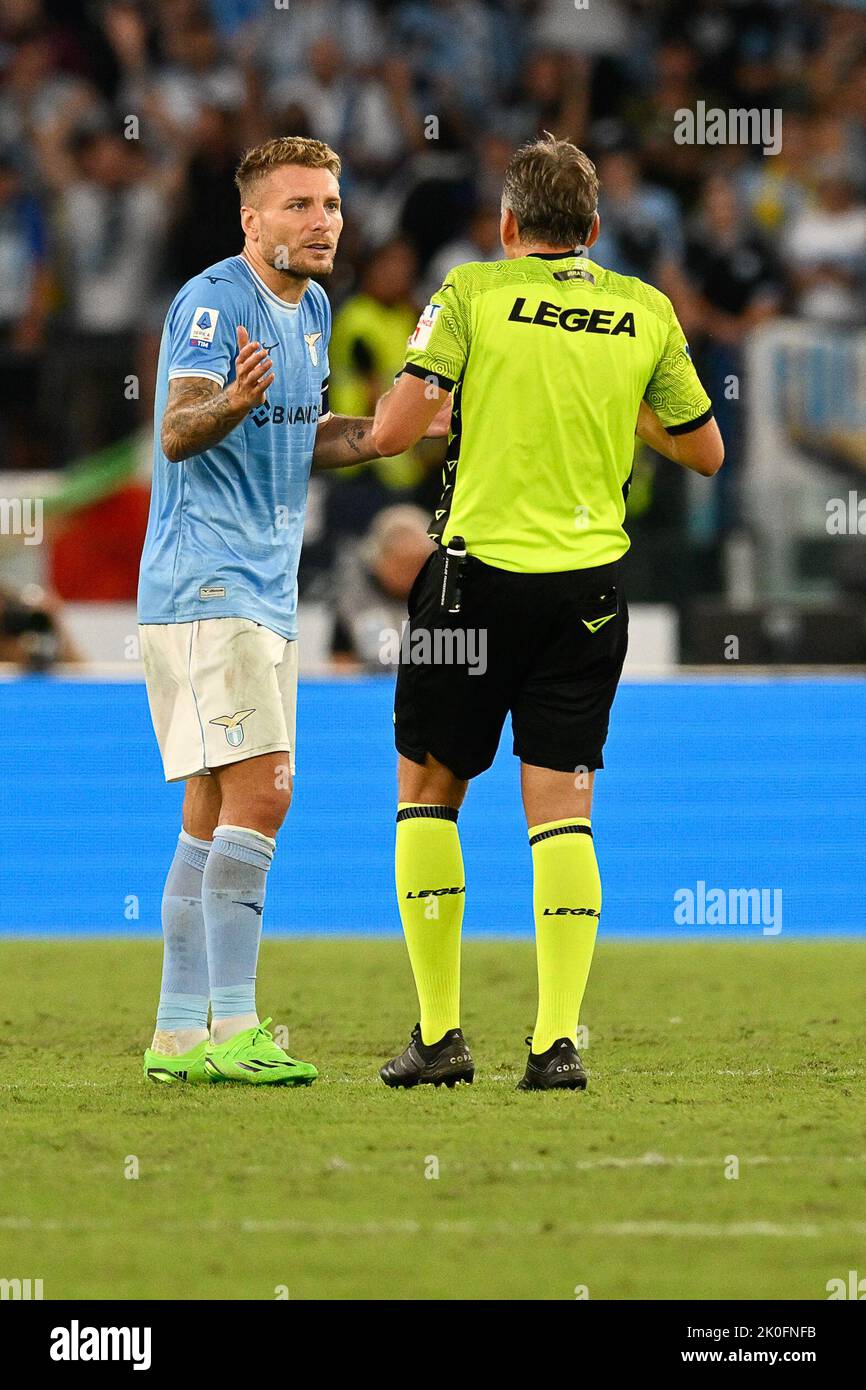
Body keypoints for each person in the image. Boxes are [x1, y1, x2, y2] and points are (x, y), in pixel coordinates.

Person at [371, 133, 723, 1092]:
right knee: (563, 809)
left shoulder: (472, 294)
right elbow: (705, 453)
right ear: (596, 229)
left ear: (508, 224)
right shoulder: (643, 308)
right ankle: (555, 1043)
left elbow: (399, 429)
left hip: (472, 583)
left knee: (428, 790)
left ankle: (441, 1039)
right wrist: (622, 411)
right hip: (590, 591)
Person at [136, 135, 445, 1087]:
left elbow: (304, 435)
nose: (324, 223)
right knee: (266, 792)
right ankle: (236, 1028)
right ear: (252, 219)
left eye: (333, 205)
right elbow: (181, 429)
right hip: (207, 584)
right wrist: (230, 399)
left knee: (211, 809)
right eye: (301, 205)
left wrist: (396, 430)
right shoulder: (213, 300)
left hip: (261, 590)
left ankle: (180, 1032)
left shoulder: (311, 310)